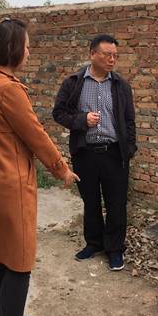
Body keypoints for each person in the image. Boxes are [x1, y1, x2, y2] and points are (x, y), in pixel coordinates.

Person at [0, 17, 79, 316]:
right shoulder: (8, 89)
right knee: (18, 261)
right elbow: (36, 136)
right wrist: (61, 169)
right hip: (10, 186)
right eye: (26, 47)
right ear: (12, 49)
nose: (29, 52)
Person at [52, 34, 137, 271]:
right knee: (90, 202)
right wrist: (82, 120)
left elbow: (129, 120)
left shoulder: (120, 85)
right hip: (85, 153)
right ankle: (94, 243)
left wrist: (129, 149)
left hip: (114, 153)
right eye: (107, 54)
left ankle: (115, 249)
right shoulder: (74, 82)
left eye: (115, 56)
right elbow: (59, 113)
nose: (112, 59)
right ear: (92, 54)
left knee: (116, 203)